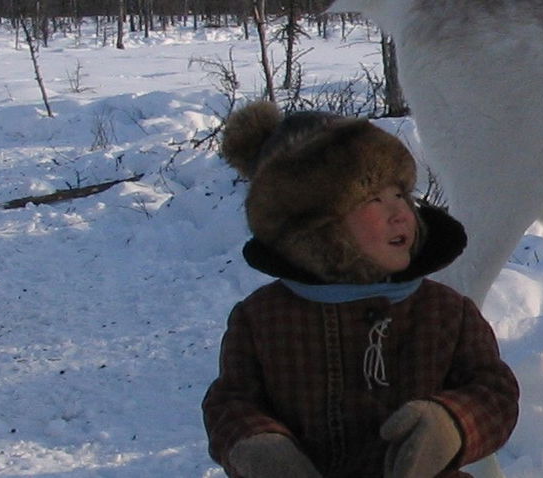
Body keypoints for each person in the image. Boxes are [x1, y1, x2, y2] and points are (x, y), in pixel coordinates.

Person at [202, 100, 520, 478]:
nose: (400, 212)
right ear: (318, 227)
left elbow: (494, 391)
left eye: (400, 194)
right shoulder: (261, 319)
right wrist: (259, 446)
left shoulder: (446, 311)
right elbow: (231, 402)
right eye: (372, 199)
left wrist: (450, 424)